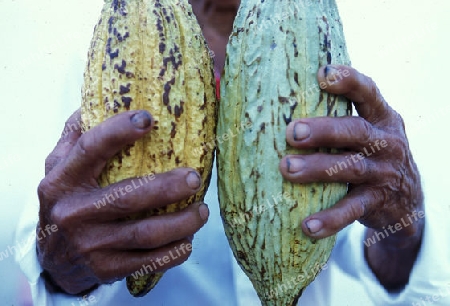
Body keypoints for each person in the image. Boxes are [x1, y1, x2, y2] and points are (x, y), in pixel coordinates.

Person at [14, 0, 450, 305]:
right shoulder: (98, 64)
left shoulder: (332, 50)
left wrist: (404, 220)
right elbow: (38, 258)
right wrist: (56, 270)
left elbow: (382, 263)